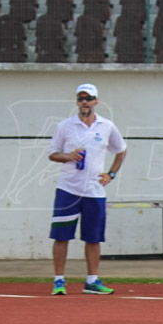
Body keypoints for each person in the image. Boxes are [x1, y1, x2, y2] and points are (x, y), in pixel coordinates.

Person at [46, 83, 127, 296]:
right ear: (76, 102)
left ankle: (91, 281)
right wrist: (67, 156)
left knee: (93, 237)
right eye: (81, 98)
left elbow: (121, 150)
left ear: (96, 102)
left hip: (94, 190)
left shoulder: (106, 126)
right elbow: (52, 153)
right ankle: (59, 280)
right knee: (61, 236)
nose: (84, 102)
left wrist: (111, 174)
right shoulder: (65, 126)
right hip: (68, 189)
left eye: (88, 98)